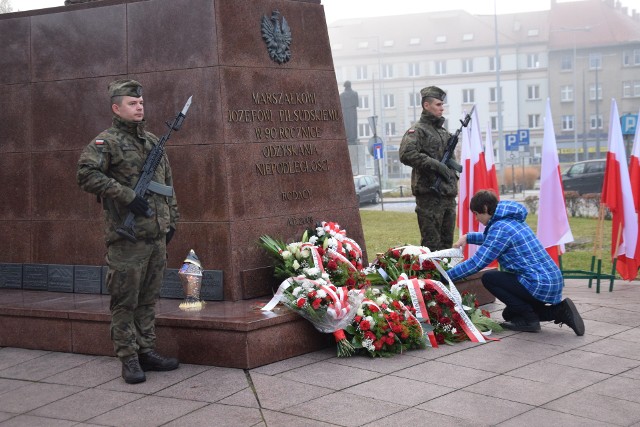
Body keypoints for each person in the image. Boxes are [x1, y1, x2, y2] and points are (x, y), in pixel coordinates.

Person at [77, 79, 180, 384]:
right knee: (125, 300)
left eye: (142, 103)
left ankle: (146, 350)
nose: (139, 107)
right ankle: (129, 358)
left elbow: (168, 188)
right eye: (133, 103)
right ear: (116, 107)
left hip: (155, 236)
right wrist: (125, 195)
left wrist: (171, 221)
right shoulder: (105, 142)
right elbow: (85, 174)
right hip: (127, 239)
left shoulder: (151, 143)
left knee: (148, 299)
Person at [447, 190, 585, 335]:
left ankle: (534, 319)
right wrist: (468, 237)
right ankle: (560, 311)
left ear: (486, 208)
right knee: (511, 315)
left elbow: (476, 263)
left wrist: (445, 276)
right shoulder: (510, 221)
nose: (476, 218)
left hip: (537, 283)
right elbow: (493, 239)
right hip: (549, 280)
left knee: (490, 278)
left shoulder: (500, 228)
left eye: (476, 213)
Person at [399, 86, 460, 251]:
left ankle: (445, 276)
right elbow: (406, 154)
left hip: (447, 196)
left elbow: (451, 160)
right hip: (430, 196)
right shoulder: (417, 131)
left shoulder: (443, 132)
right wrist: (435, 164)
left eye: (442, 105)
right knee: (431, 247)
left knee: (447, 246)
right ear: (427, 105)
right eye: (438, 104)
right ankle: (430, 277)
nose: (442, 108)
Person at [339, 81, 359, 145]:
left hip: (345, 113)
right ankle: (353, 138)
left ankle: (348, 138)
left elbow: (341, 105)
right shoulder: (355, 94)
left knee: (346, 125)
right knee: (353, 125)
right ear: (350, 86)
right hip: (352, 113)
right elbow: (357, 104)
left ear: (345, 87)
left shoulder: (341, 95)